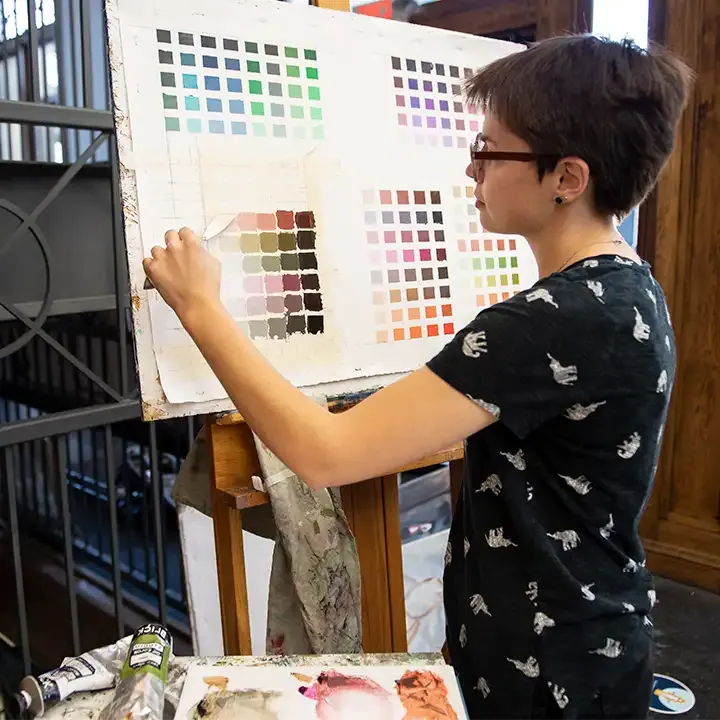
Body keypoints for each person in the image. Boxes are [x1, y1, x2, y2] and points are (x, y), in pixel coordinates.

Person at [143, 34, 692, 720]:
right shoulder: (626, 285)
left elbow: (327, 454)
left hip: (550, 674)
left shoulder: (553, 319)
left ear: (567, 178)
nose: (472, 171)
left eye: (488, 151)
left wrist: (199, 308)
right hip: (588, 638)